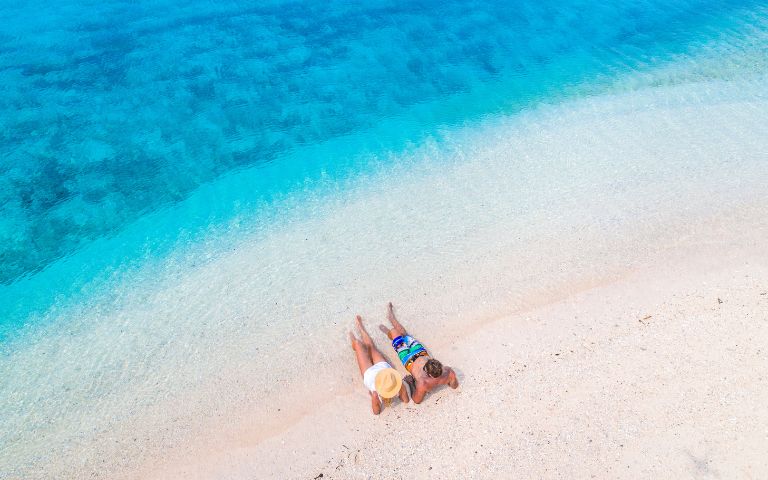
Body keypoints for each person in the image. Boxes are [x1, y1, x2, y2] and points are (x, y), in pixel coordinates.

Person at [379, 302, 459, 404]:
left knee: (394, 332)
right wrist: (447, 381)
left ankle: (387, 331)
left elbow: (417, 400)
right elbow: (454, 385)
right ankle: (391, 317)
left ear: (429, 374)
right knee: (404, 334)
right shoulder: (448, 372)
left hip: (408, 359)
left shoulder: (423, 383)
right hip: (420, 352)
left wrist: (412, 382)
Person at [350, 314, 409, 414]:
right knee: (370, 347)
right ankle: (359, 327)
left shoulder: (375, 393)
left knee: (358, 344)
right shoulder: (397, 384)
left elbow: (376, 412)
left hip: (371, 373)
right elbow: (405, 400)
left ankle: (352, 332)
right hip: (384, 370)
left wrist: (374, 397)